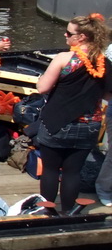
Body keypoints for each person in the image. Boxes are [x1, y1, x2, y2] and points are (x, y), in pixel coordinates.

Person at [34, 13, 112, 211]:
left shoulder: (64, 59)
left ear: (82, 37)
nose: (65, 35)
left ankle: (47, 211)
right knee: (72, 172)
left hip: (56, 123)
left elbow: (42, 88)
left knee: (51, 170)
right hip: (89, 124)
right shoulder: (104, 63)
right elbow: (108, 96)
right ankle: (69, 211)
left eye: (69, 33)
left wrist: (40, 80)